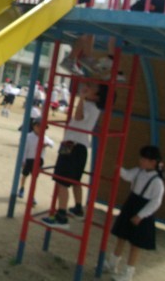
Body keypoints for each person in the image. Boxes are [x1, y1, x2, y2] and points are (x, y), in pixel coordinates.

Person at [42, 81, 109, 227]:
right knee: (75, 180)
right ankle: (78, 208)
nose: (88, 87)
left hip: (71, 145)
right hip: (78, 146)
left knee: (61, 181)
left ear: (97, 96)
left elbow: (78, 117)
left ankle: (61, 216)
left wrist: (81, 98)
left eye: (93, 87)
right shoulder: (93, 106)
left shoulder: (90, 106)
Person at [104, 145, 165, 281]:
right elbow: (127, 175)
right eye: (141, 158)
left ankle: (128, 273)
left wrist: (140, 215)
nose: (140, 161)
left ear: (153, 162)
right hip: (131, 205)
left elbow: (156, 202)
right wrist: (119, 169)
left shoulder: (157, 182)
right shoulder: (138, 171)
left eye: (144, 159)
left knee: (135, 244)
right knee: (121, 236)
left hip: (142, 212)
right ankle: (112, 263)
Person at [19, 120, 55, 200]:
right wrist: (23, 161)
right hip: (28, 159)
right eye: (38, 126)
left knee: (34, 178)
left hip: (38, 161)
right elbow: (25, 149)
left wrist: (47, 144)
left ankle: (32, 195)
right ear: (34, 126)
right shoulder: (29, 136)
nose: (40, 129)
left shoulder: (44, 137)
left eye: (43, 128)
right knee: (25, 175)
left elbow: (52, 143)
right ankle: (22, 188)